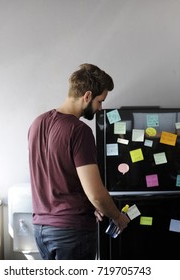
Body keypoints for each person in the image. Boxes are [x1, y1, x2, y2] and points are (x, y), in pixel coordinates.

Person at [27, 63, 129, 260]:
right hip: (72, 232)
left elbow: (57, 175)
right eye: (100, 101)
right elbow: (96, 193)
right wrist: (117, 217)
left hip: (41, 229)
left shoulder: (37, 123)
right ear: (87, 96)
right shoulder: (79, 131)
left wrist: (92, 205)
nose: (100, 109)